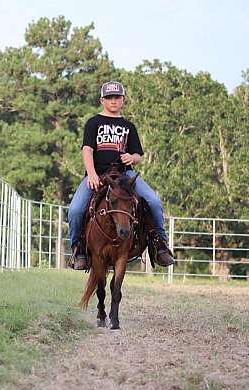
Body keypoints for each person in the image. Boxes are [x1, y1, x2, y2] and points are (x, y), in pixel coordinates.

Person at [68, 81, 174, 270]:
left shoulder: (128, 126)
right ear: (102, 100)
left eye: (117, 97)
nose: (114, 101)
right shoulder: (94, 123)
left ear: (123, 100)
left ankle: (160, 246)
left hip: (125, 176)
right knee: (76, 209)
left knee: (154, 201)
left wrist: (131, 157)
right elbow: (87, 150)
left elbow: (138, 155)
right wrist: (91, 174)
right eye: (109, 97)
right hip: (98, 174)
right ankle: (79, 250)